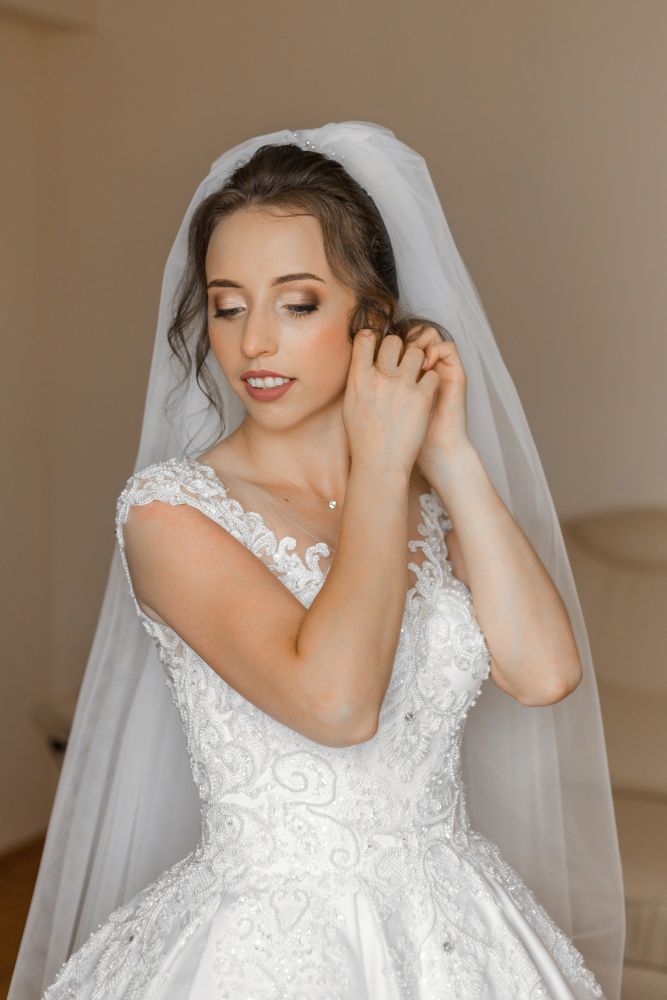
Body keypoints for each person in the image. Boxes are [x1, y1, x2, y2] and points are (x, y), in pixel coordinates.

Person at [10, 122, 625, 1000]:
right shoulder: (168, 512)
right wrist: (380, 463)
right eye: (228, 306)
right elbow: (336, 706)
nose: (253, 343)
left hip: (453, 933)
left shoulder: (423, 502)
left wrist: (447, 453)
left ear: (371, 318)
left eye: (295, 304)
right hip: (267, 948)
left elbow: (543, 672)